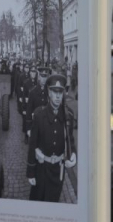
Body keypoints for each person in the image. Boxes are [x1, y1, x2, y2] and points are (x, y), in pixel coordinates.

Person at [27, 74, 76, 202]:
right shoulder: (39, 115)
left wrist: (74, 154)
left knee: (53, 200)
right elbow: (32, 144)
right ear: (49, 92)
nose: (58, 96)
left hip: (58, 171)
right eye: (55, 91)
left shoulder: (68, 116)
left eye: (61, 92)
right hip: (42, 170)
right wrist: (31, 172)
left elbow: (70, 139)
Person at [25, 67, 50, 144]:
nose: (44, 79)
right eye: (42, 76)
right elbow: (29, 111)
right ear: (39, 77)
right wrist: (28, 128)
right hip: (36, 125)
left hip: (47, 125)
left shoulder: (49, 93)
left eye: (46, 77)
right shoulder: (33, 92)